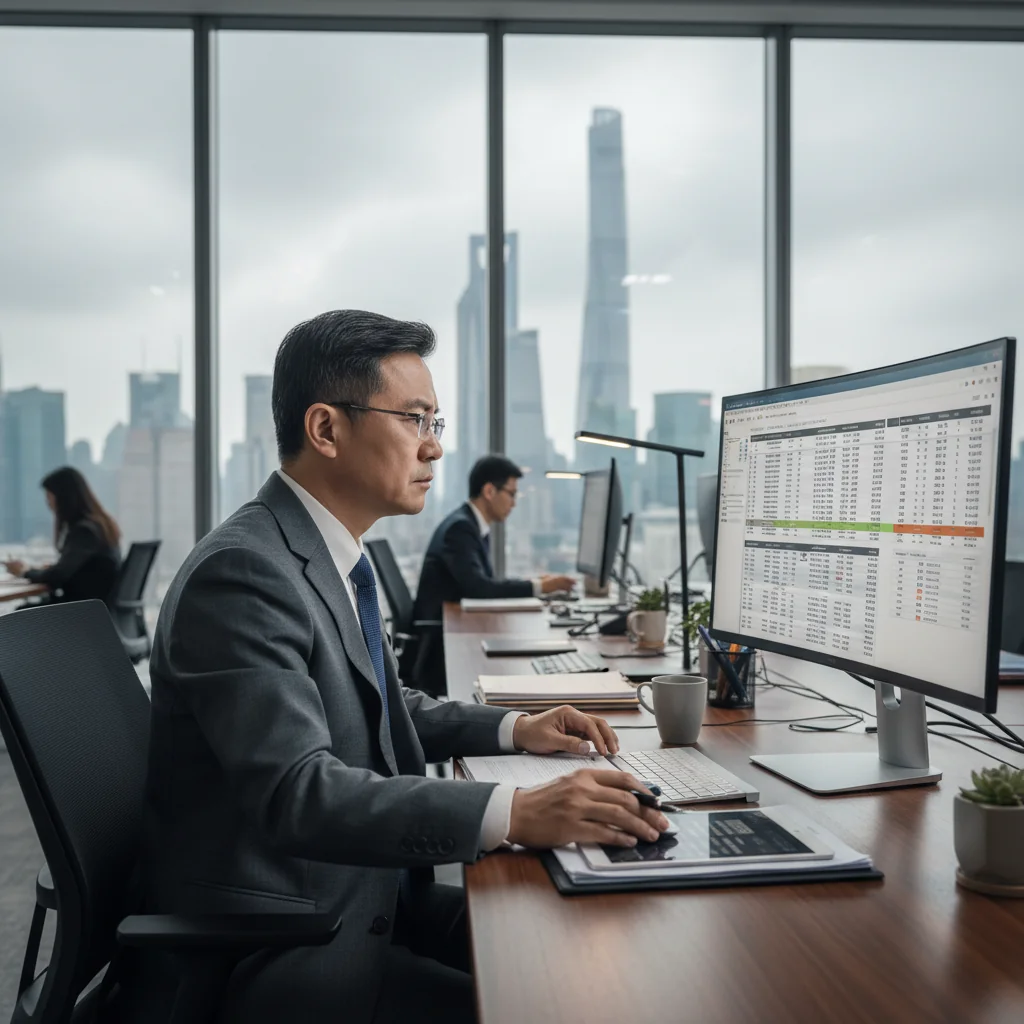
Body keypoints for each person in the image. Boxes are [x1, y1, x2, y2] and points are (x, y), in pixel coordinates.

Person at [134, 310, 668, 1024]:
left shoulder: (326, 554)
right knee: (572, 994)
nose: (435, 449)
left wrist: (517, 729)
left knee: (605, 946)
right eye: (416, 419)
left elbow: (388, 704)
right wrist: (518, 808)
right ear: (326, 430)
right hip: (290, 948)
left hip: (368, 898)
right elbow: (300, 793)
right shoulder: (244, 574)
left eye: (436, 423)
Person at [413, 454, 576, 622]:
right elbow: (479, 589)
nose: (514, 504)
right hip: (438, 635)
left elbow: (485, 583)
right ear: (489, 491)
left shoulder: (472, 525)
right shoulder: (460, 529)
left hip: (455, 623)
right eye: (511, 494)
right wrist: (540, 587)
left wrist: (534, 582)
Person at [3, 466, 121, 604]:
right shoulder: (100, 526)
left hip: (82, 611)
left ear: (64, 498)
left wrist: (24, 572)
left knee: (16, 618)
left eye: (49, 497)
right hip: (93, 610)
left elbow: (57, 577)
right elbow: (73, 570)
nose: (48, 504)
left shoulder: (84, 531)